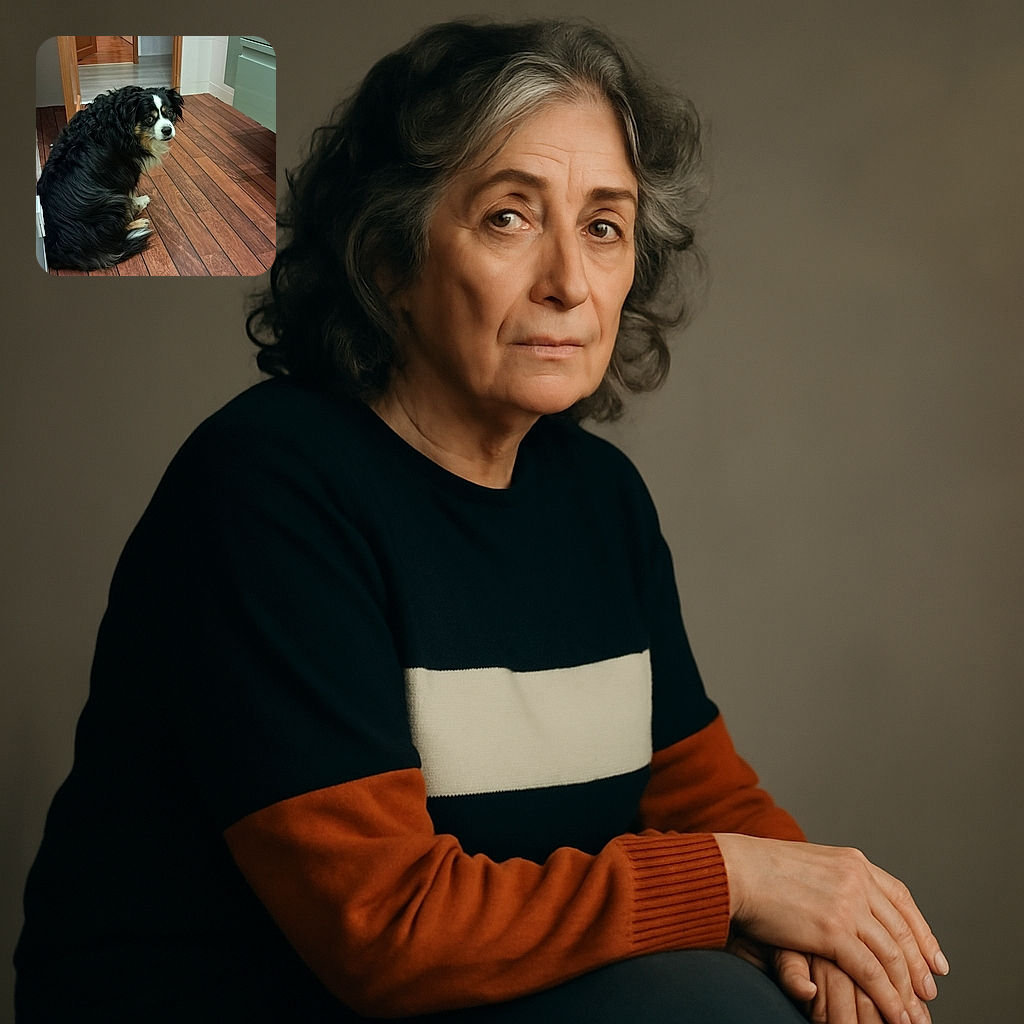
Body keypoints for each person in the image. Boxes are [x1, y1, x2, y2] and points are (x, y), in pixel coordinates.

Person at [15, 19, 947, 1024]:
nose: (567, 282)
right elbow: (387, 928)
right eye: (509, 217)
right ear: (388, 260)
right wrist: (737, 884)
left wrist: (825, 926)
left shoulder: (599, 502)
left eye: (603, 225)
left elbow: (699, 799)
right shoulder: (267, 490)